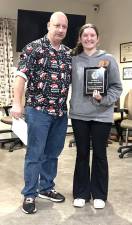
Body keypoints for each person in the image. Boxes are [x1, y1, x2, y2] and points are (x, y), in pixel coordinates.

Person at [11, 11, 72, 214]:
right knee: (35, 154)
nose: (61, 30)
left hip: (60, 112)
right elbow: (20, 78)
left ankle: (46, 187)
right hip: (38, 111)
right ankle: (29, 193)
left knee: (53, 153)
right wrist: (17, 104)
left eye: (64, 26)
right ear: (49, 25)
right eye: (57, 25)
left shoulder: (67, 52)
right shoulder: (33, 48)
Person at [69, 24, 122, 209]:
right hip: (79, 115)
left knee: (100, 154)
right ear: (80, 38)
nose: (89, 38)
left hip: (102, 116)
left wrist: (104, 99)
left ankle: (99, 194)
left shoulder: (108, 59)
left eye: (92, 35)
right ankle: (81, 193)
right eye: (85, 35)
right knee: (82, 154)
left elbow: (117, 87)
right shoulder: (73, 59)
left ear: (97, 38)